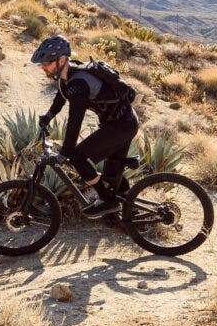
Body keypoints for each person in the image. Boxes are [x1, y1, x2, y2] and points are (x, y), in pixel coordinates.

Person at [31, 34, 138, 218]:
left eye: (47, 63)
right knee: (112, 172)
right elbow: (61, 97)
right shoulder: (69, 75)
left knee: (77, 157)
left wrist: (65, 153)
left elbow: (75, 121)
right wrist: (48, 117)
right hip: (122, 121)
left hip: (121, 125)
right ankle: (130, 215)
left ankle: (107, 200)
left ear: (62, 60)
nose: (43, 67)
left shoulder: (79, 84)